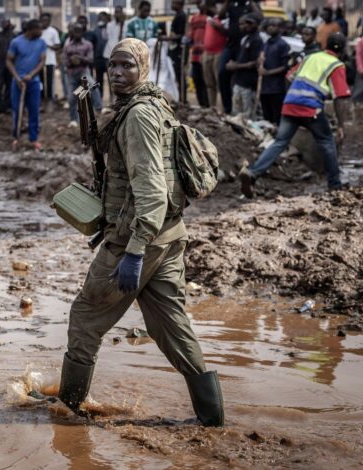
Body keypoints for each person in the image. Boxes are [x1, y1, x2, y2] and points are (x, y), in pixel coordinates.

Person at [57, 37, 224, 428]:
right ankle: (213, 419)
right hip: (168, 237)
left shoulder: (138, 116)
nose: (117, 73)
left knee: (85, 318)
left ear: (143, 69)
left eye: (127, 66)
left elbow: (152, 190)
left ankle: (66, 412)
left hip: (139, 239)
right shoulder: (153, 104)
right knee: (171, 328)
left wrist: (133, 252)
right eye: (113, 65)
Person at [239, 32, 351, 197]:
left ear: (326, 44)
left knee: (280, 142)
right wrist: (341, 125)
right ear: (342, 50)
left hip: (290, 104)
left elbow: (289, 76)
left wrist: (295, 95)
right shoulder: (336, 65)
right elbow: (340, 98)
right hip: (310, 108)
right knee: (327, 142)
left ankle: (253, 173)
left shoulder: (310, 57)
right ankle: (334, 184)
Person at [6, 19, 46, 151]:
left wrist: (32, 75)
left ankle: (33, 138)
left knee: (34, 111)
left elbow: (42, 61)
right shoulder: (16, 42)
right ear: (31, 29)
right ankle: (16, 136)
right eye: (39, 29)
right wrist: (17, 78)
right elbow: (9, 61)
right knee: (17, 110)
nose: (41, 31)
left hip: (33, 82)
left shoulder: (41, 43)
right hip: (18, 82)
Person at [218, 0, 261, 115]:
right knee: (222, 72)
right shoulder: (231, 5)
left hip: (244, 46)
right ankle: (227, 108)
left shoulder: (250, 5)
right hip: (231, 45)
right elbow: (220, 15)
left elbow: (260, 16)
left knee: (240, 75)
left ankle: (249, 110)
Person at [64, 23, 101, 127]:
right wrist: (71, 60)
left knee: (92, 84)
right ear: (72, 32)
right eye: (75, 31)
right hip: (72, 74)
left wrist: (80, 58)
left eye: (79, 31)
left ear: (82, 32)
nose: (77, 34)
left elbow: (90, 60)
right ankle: (74, 120)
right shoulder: (68, 46)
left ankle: (99, 107)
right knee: (72, 97)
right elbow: (65, 62)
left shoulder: (88, 44)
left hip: (83, 71)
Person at [226, 14, 262, 118]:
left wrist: (236, 66)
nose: (246, 26)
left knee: (247, 114)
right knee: (236, 111)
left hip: (248, 82)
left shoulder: (257, 40)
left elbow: (254, 63)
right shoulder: (246, 38)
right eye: (245, 23)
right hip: (239, 80)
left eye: (250, 24)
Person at [259, 17, 291, 124]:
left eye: (273, 25)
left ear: (280, 28)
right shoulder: (266, 44)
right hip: (265, 87)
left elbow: (285, 67)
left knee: (276, 117)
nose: (270, 28)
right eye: (269, 26)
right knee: (266, 117)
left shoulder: (283, 45)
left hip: (276, 88)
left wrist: (268, 72)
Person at [202, 3, 227, 108]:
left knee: (219, 83)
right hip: (207, 53)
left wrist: (217, 26)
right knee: (209, 83)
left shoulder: (224, 20)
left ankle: (221, 108)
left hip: (218, 53)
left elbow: (226, 33)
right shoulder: (209, 19)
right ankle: (212, 107)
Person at [103, 6, 127, 110]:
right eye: (116, 12)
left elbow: (124, 39)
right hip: (109, 54)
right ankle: (111, 99)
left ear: (122, 13)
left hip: (122, 55)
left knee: (122, 78)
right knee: (110, 78)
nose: (117, 14)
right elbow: (106, 37)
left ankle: (121, 100)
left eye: (119, 12)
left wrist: (122, 26)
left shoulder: (126, 24)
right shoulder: (109, 25)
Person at [188, 2, 209, 107]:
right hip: (195, 55)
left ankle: (207, 104)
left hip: (206, 54)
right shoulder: (194, 18)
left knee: (206, 80)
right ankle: (201, 104)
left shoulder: (209, 18)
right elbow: (190, 34)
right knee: (197, 80)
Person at [0, 20, 15, 113]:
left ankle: (7, 105)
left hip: (11, 63)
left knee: (9, 85)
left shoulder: (14, 36)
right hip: (0, 63)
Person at [39, 13, 60, 103]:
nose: (45, 22)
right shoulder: (38, 31)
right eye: (43, 20)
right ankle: (41, 98)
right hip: (38, 61)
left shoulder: (53, 31)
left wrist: (47, 45)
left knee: (49, 81)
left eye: (47, 20)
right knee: (40, 81)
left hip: (50, 60)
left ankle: (50, 99)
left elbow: (57, 45)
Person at [93, 12, 110, 99]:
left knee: (111, 80)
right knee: (99, 80)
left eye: (103, 18)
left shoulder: (111, 29)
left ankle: (112, 99)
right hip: (98, 58)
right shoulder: (95, 30)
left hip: (109, 59)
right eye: (100, 18)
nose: (102, 19)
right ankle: (100, 98)